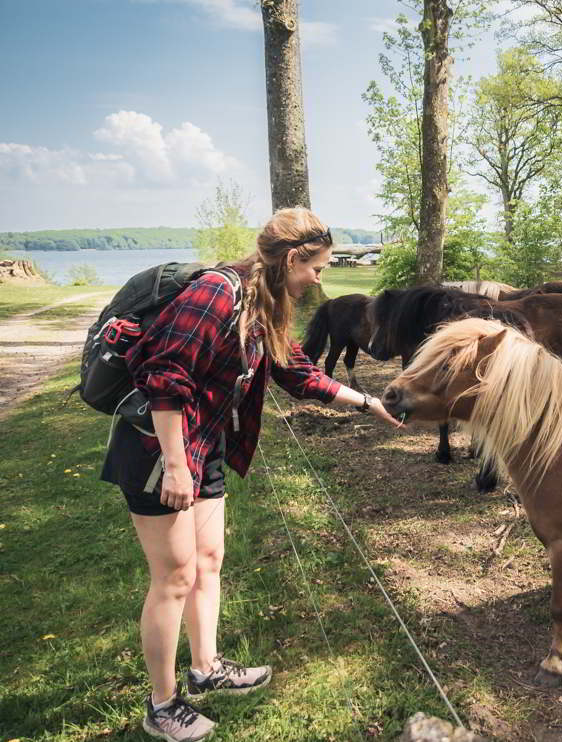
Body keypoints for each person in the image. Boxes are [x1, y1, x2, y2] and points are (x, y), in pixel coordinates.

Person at [100, 208, 402, 741]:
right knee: (174, 578)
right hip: (157, 450)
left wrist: (367, 402)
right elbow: (163, 376)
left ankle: (206, 668)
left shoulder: (262, 305)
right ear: (292, 259)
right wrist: (174, 466)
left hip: (204, 443)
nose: (319, 278)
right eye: (317, 267)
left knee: (209, 561)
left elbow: (294, 372)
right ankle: (163, 705)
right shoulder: (218, 294)